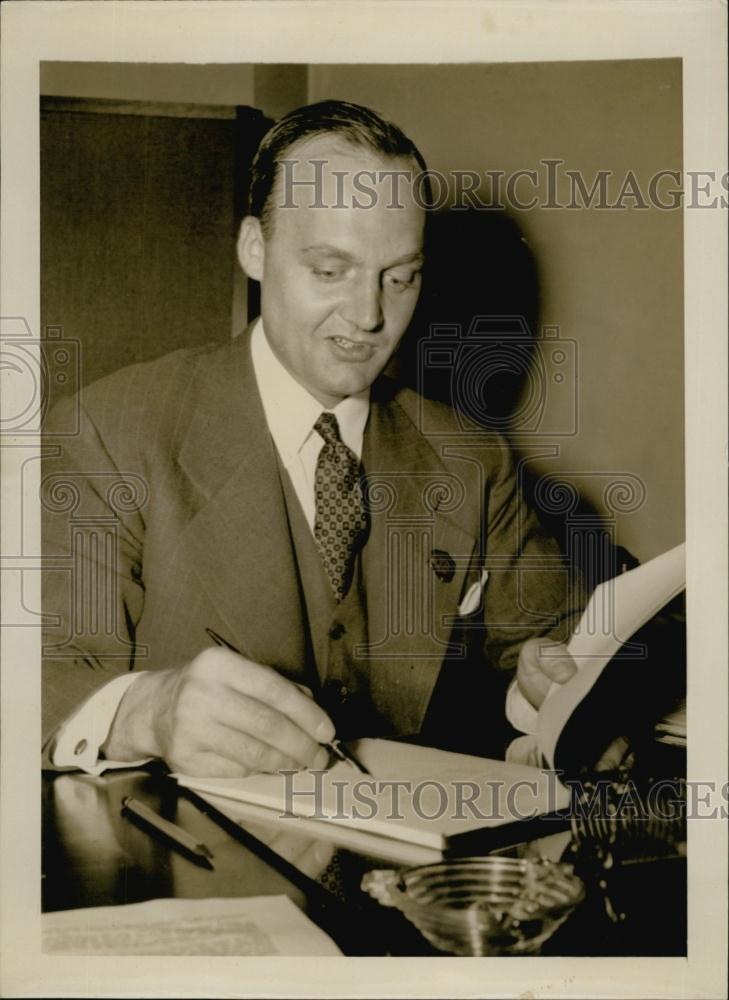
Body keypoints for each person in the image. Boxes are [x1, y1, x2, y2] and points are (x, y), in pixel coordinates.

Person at [42, 100, 584, 778]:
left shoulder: (470, 459)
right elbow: (37, 676)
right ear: (253, 250)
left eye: (400, 277)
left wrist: (549, 693)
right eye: (330, 271)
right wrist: (141, 713)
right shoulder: (108, 430)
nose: (368, 316)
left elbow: (555, 642)